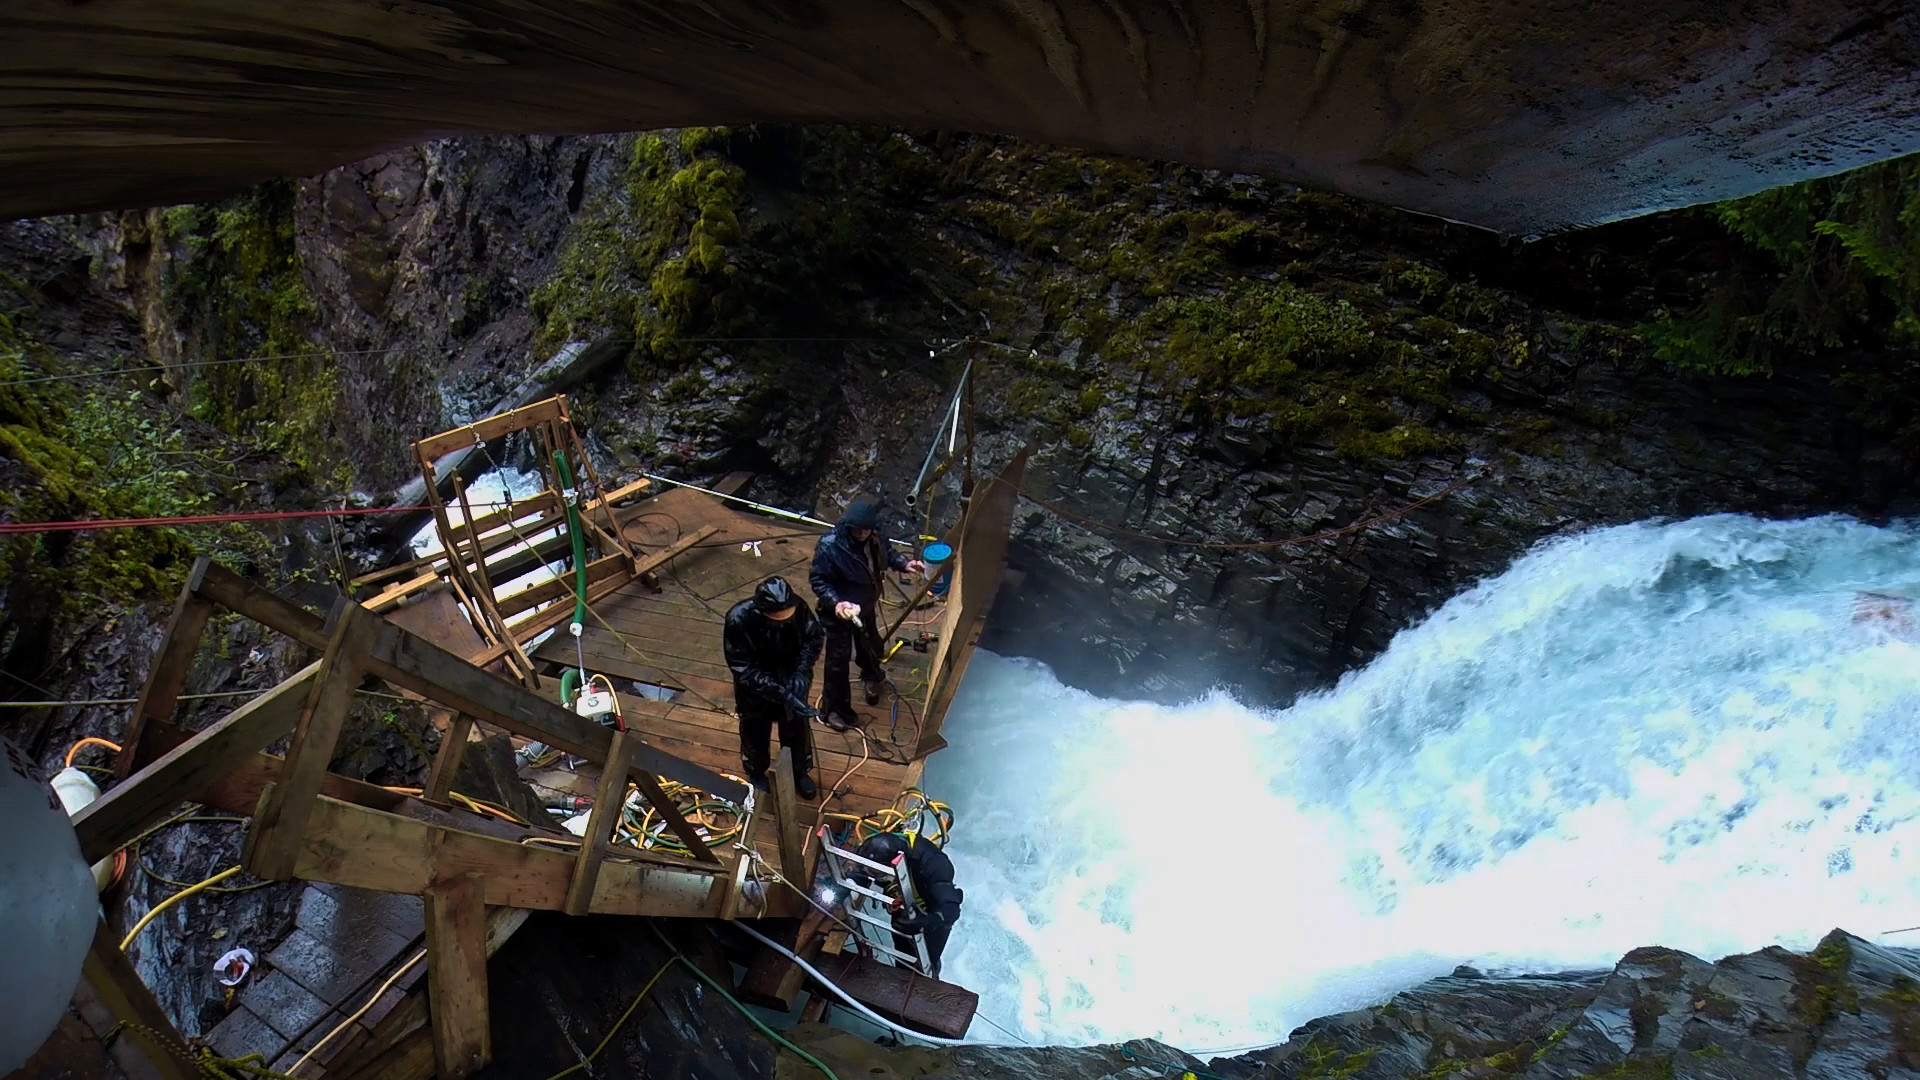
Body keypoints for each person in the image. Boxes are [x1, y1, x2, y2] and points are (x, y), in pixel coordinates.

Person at [809, 498, 923, 730]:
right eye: (857, 529)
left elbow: (887, 553)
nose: (862, 534)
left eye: (866, 529)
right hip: (839, 612)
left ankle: (872, 676)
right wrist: (836, 602)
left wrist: (903, 563)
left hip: (866, 604)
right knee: (837, 662)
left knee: (871, 645)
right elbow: (818, 579)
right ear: (848, 525)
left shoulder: (875, 535)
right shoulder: (830, 547)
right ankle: (833, 711)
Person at [722, 576, 823, 799]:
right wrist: (779, 692)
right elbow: (742, 667)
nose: (784, 623)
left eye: (788, 617)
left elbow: (813, 638)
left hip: (792, 676)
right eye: (778, 620)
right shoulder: (738, 619)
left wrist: (802, 671)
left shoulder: (799, 608)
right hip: (755, 686)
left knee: (797, 728)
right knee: (755, 730)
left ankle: (799, 770)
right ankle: (756, 771)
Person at [854, 831, 963, 980]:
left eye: (882, 875)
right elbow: (863, 870)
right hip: (903, 907)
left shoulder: (934, 863)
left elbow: (951, 908)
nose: (881, 879)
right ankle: (901, 977)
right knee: (903, 957)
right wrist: (850, 883)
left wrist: (927, 922)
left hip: (932, 916)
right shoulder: (873, 850)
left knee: (926, 963)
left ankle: (928, 981)